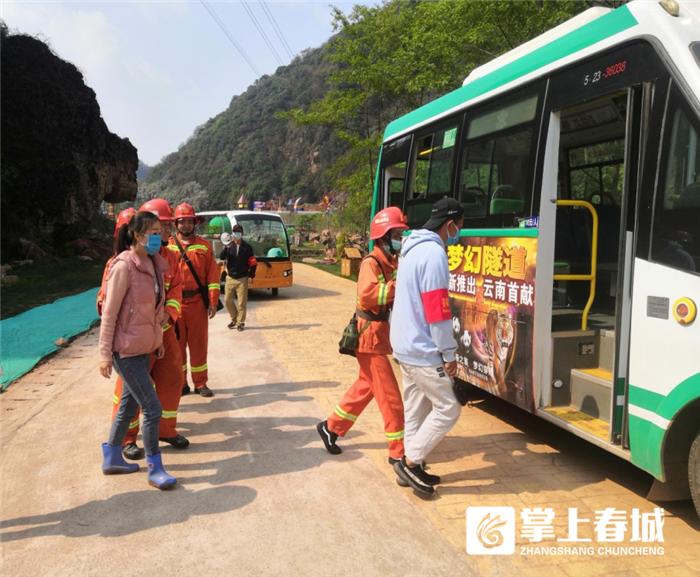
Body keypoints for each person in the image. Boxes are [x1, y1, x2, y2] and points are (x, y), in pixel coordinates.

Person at [316, 207, 408, 466]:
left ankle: (330, 427)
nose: (401, 238)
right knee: (390, 399)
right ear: (383, 237)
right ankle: (397, 452)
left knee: (365, 388)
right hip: (369, 339)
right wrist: (398, 286)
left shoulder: (392, 261)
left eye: (402, 232)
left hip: (377, 337)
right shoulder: (371, 263)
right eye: (397, 233)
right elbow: (369, 296)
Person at [389, 197, 464, 496]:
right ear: (450, 225)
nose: (459, 232)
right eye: (459, 227)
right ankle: (409, 462)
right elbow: (438, 311)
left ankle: (411, 465)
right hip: (422, 349)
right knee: (449, 408)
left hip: (404, 343)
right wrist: (448, 353)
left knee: (416, 409)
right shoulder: (434, 254)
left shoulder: (410, 249)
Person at [98, 210, 176, 490]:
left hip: (144, 347)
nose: (159, 236)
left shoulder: (155, 264)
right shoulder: (123, 267)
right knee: (153, 408)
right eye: (154, 232)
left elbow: (153, 311)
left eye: (160, 231)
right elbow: (109, 313)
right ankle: (155, 468)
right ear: (137, 234)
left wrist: (159, 343)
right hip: (125, 351)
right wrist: (104, 354)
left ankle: (112, 457)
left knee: (128, 405)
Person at [108, 198, 189, 460]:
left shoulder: (169, 259)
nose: (165, 232)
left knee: (172, 379)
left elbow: (175, 289)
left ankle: (165, 430)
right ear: (141, 232)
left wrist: (170, 314)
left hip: (162, 333)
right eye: (160, 227)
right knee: (129, 392)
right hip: (133, 339)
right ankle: (127, 440)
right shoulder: (120, 263)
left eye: (165, 227)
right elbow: (105, 304)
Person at [168, 202, 220, 397]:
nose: (186, 226)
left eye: (189, 222)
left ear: (194, 223)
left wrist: (213, 301)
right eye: (182, 222)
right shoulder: (169, 247)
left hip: (197, 304)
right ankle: (181, 384)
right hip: (175, 304)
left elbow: (213, 276)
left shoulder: (204, 246)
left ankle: (200, 383)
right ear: (176, 224)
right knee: (177, 347)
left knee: (199, 345)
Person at [219, 225, 257, 331]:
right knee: (227, 300)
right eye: (235, 232)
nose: (237, 234)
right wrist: (226, 247)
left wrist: (251, 275)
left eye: (239, 232)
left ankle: (240, 323)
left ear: (242, 234)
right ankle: (234, 318)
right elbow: (222, 256)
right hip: (230, 277)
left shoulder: (247, 247)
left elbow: (253, 263)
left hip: (243, 278)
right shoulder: (229, 246)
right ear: (232, 234)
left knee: (241, 303)